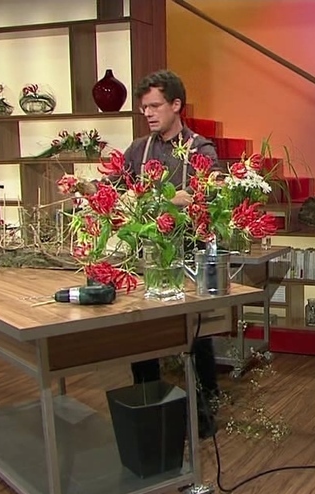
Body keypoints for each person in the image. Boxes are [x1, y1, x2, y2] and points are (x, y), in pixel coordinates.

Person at [122, 70, 221, 438]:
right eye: (144, 107)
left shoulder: (200, 150)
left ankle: (205, 410)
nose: (148, 113)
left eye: (155, 106)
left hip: (189, 254)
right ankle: (149, 407)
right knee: (141, 334)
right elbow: (119, 192)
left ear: (176, 105)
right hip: (146, 254)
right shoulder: (137, 150)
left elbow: (207, 196)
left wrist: (174, 200)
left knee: (195, 335)